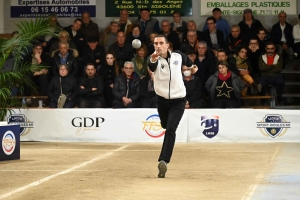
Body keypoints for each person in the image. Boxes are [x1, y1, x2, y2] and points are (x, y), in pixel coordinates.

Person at [147, 34, 197, 178]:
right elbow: (151, 65)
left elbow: (191, 65)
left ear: (167, 45)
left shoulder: (178, 56)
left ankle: (163, 161)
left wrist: (193, 69)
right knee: (164, 124)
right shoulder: (153, 59)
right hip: (162, 100)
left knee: (170, 129)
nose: (158, 46)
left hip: (178, 99)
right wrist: (153, 59)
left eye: (161, 43)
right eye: (155, 43)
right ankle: (164, 157)